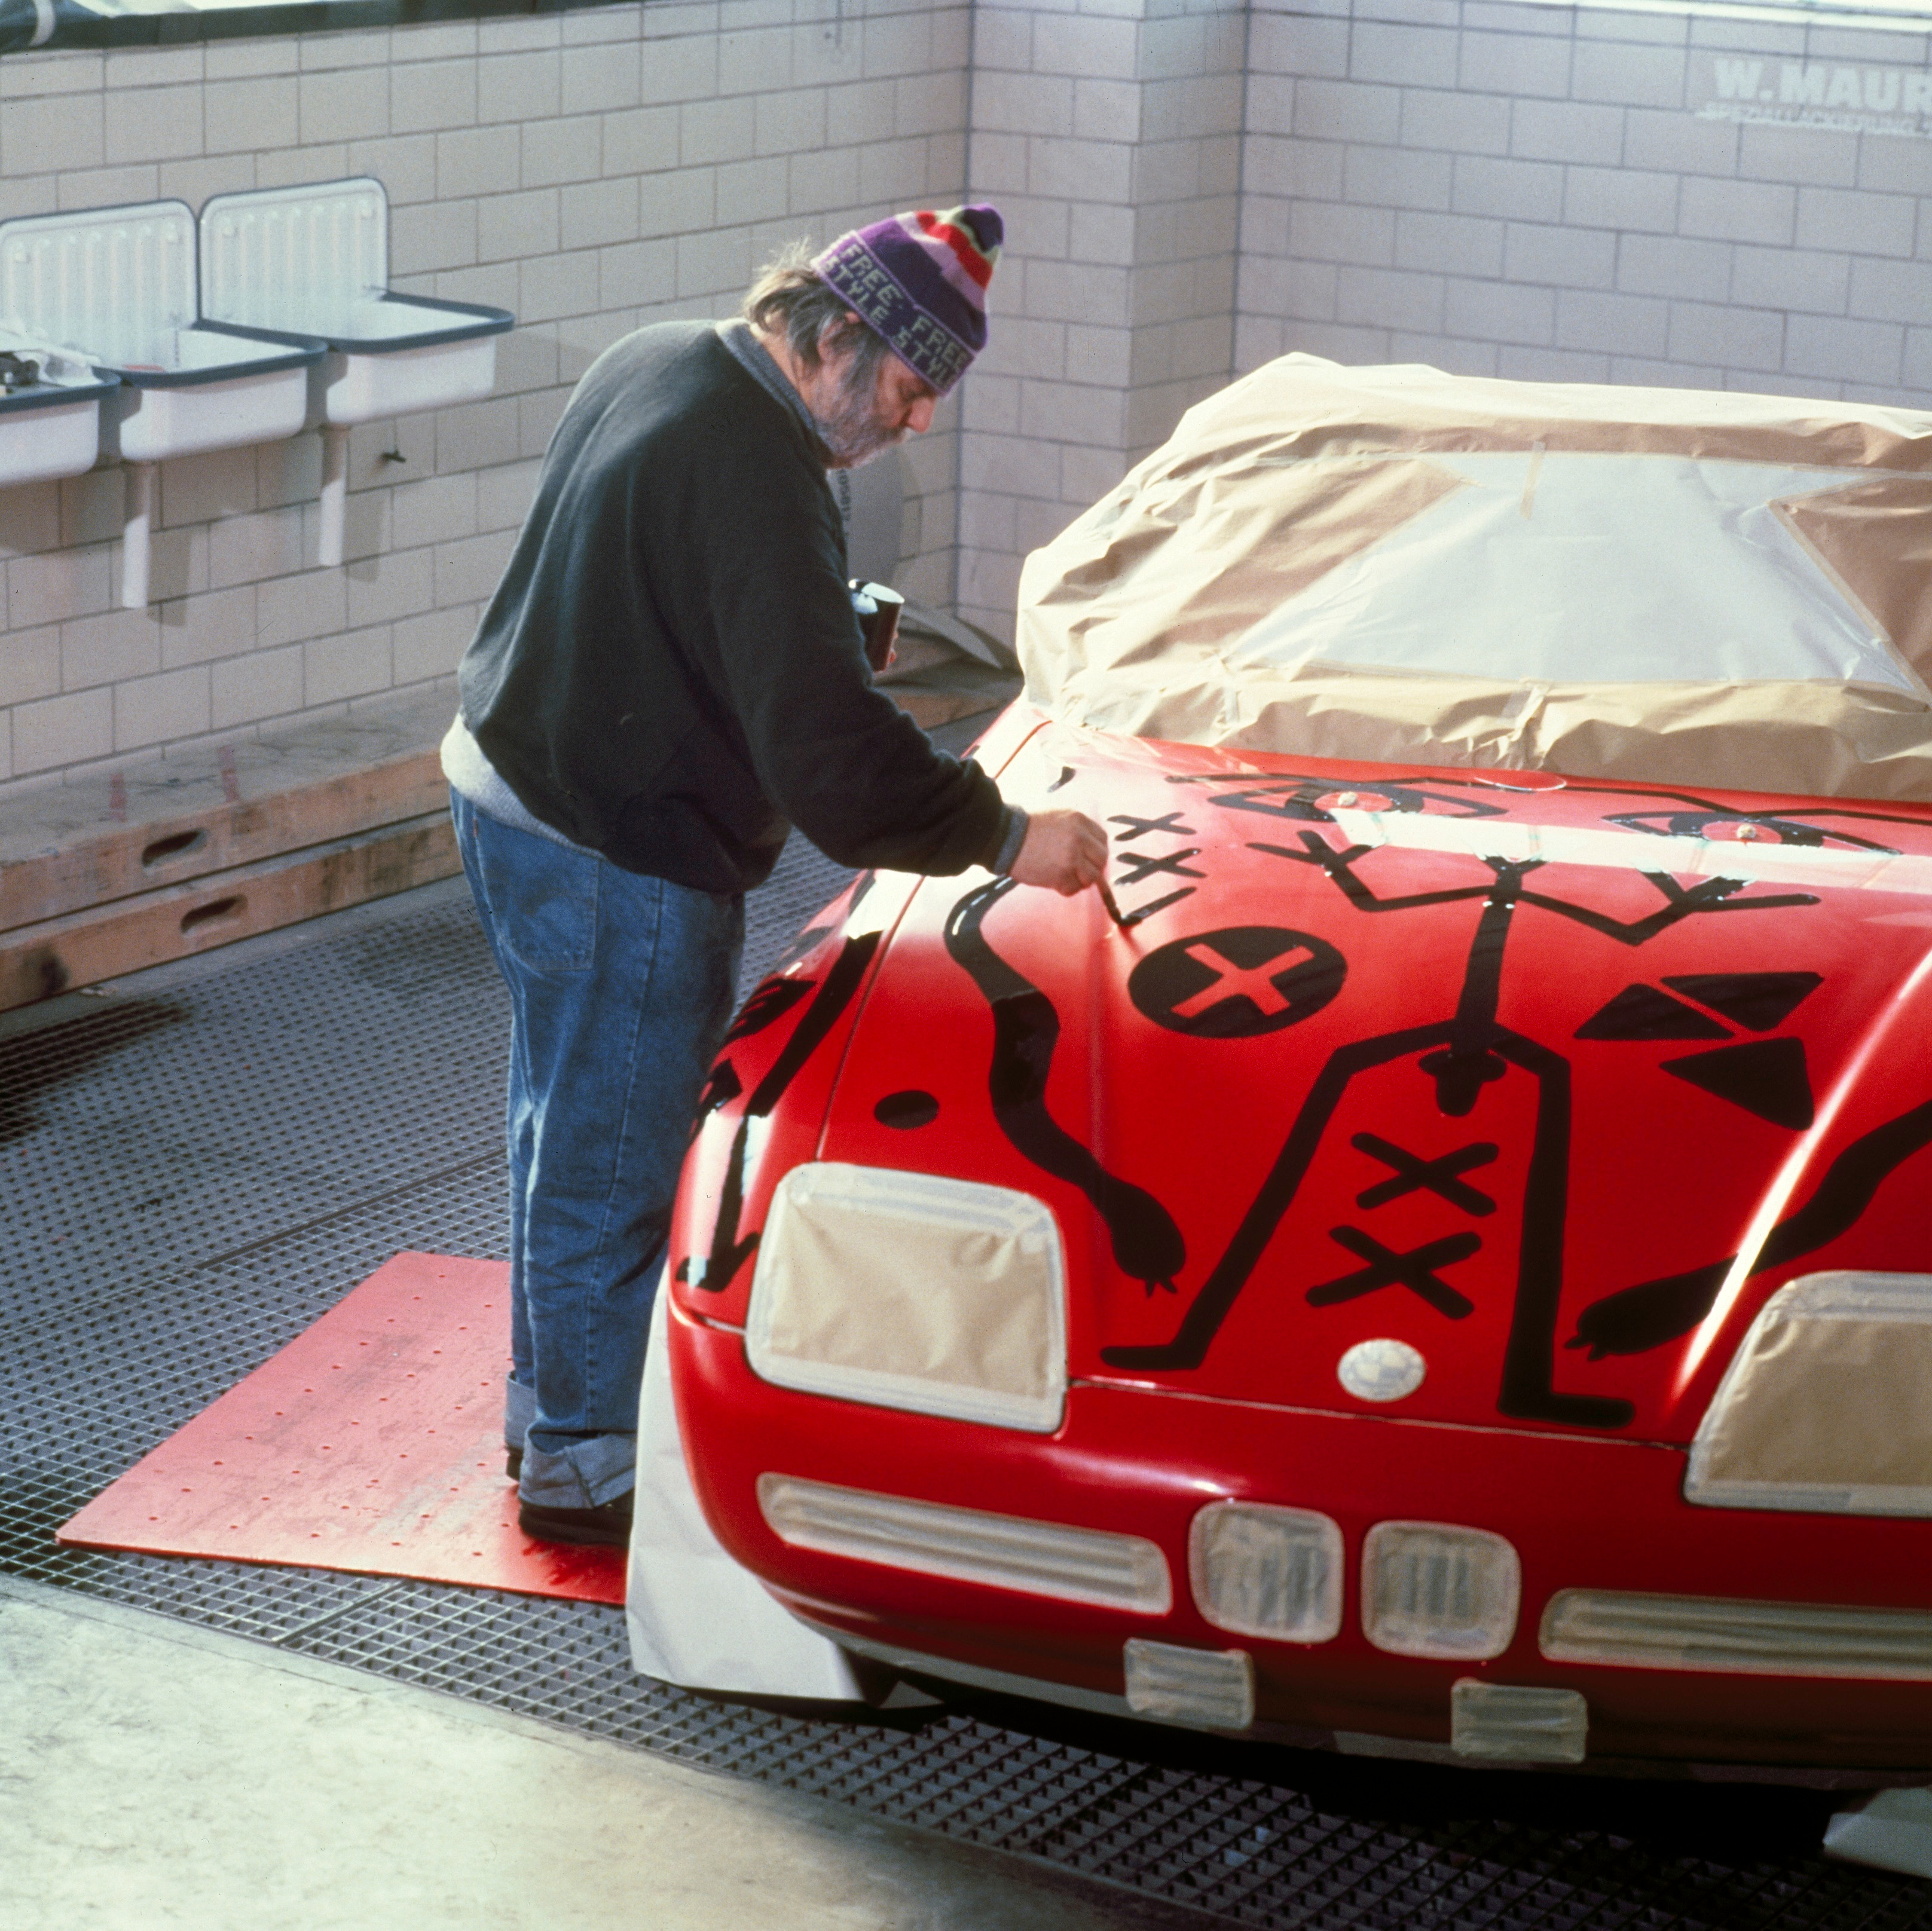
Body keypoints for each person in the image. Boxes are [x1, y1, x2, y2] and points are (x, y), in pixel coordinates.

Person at [441, 204, 1109, 1547]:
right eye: (914, 390)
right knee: (613, 1156)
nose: (916, 424)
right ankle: (586, 1465)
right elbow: (832, 767)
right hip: (613, 848)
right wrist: (1004, 834)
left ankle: (548, 1398)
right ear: (838, 338)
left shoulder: (660, 358)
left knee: (556, 1121)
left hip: (507, 790)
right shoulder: (755, 467)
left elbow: (649, 587)